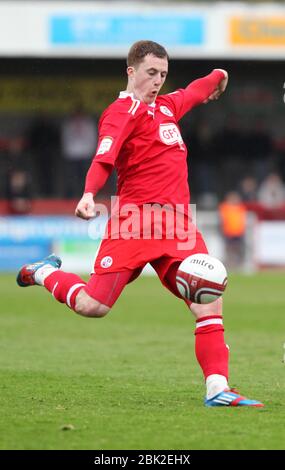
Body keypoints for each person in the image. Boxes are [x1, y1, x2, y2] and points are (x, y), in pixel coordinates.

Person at [17, 40, 263, 407]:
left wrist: (219, 76)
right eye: (150, 73)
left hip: (178, 225)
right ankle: (42, 273)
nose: (157, 81)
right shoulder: (120, 113)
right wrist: (88, 193)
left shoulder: (166, 107)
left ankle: (217, 389)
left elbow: (194, 92)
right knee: (93, 305)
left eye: (163, 74)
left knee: (208, 301)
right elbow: (104, 157)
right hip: (136, 221)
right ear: (131, 71)